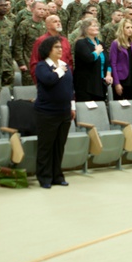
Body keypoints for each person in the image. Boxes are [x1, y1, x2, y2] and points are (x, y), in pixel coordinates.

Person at [34, 36, 75, 188]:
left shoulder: (65, 65)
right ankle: (44, 177)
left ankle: (57, 175)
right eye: (56, 47)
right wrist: (59, 70)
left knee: (59, 146)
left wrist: (72, 106)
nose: (60, 49)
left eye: (60, 47)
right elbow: (49, 80)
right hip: (47, 113)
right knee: (46, 146)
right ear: (48, 50)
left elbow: (70, 88)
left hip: (64, 112)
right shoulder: (42, 66)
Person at [73, 18, 112, 102]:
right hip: (86, 86)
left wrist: (108, 75)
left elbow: (108, 62)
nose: (97, 28)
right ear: (86, 29)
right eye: (94, 26)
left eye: (97, 26)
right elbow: (89, 59)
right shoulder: (81, 43)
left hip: (100, 84)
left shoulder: (100, 43)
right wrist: (97, 51)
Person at [13, 2, 47, 87]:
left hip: (42, 63)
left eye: (44, 9)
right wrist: (21, 63)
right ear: (32, 10)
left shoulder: (45, 25)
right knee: (29, 91)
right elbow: (18, 45)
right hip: (28, 63)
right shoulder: (25, 24)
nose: (42, 11)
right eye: (39, 9)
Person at [29, 14, 71, 81]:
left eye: (59, 21)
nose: (58, 23)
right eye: (55, 22)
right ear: (48, 25)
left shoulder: (65, 40)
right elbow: (34, 63)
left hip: (65, 78)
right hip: (48, 78)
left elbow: (70, 61)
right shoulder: (41, 41)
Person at [110, 18, 132, 99]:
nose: (130, 30)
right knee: (119, 105)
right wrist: (116, 83)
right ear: (122, 29)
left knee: (130, 105)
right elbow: (113, 64)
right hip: (121, 79)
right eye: (127, 28)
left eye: (131, 27)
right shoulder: (116, 43)